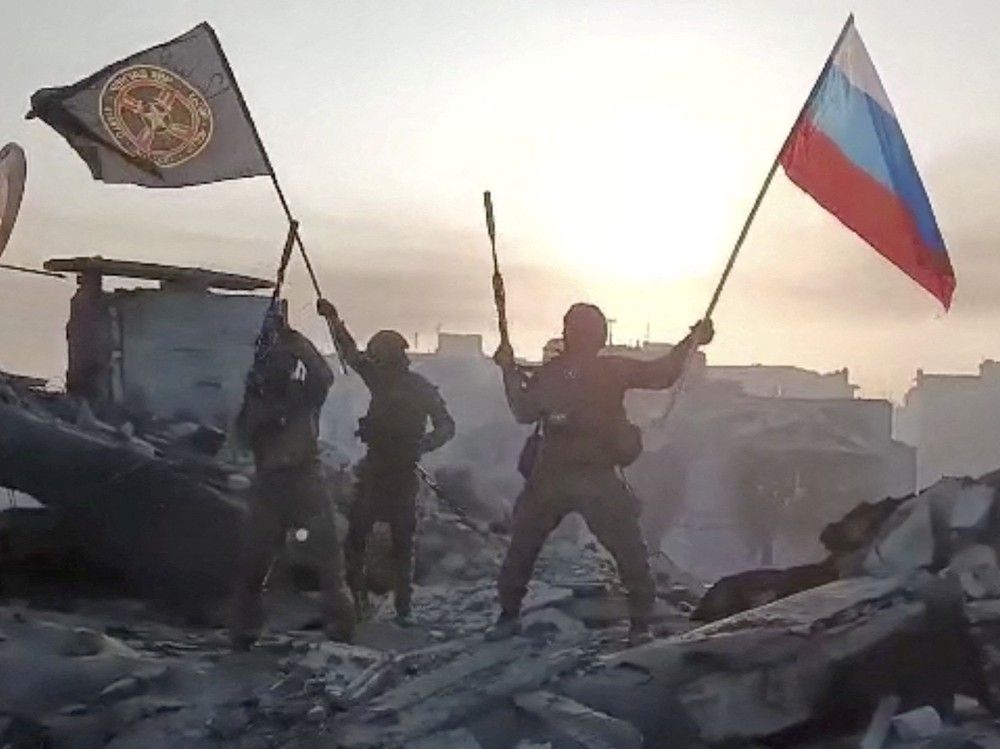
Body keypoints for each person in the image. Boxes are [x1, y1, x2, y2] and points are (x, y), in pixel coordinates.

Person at [489, 302, 713, 645]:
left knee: (523, 549)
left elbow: (523, 411)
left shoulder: (552, 374)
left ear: (567, 333)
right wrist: (690, 340)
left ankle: (508, 616)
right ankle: (640, 625)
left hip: (552, 477)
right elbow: (663, 373)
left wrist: (508, 372)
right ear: (600, 336)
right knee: (629, 553)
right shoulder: (611, 370)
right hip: (594, 476)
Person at [317, 299, 455, 624]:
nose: (375, 362)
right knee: (361, 538)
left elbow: (446, 425)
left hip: (399, 473)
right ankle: (362, 600)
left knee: (399, 543)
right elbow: (349, 352)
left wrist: (422, 445)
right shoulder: (385, 380)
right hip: (377, 468)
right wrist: (334, 319)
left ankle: (401, 607)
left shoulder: (415, 388)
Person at [230, 302, 356, 649]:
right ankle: (244, 632)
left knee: (329, 563)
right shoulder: (255, 402)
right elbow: (241, 436)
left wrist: (295, 341)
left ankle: (342, 627)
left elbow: (323, 375)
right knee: (254, 566)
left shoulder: (302, 397)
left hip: (304, 480)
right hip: (269, 486)